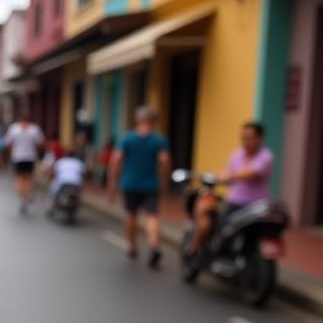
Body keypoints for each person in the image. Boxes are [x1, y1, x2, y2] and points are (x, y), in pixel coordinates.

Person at [188, 121, 274, 257]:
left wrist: (228, 177)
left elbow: (251, 173)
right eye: (243, 138)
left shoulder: (265, 156)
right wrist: (218, 177)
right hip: (235, 202)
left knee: (229, 229)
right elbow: (227, 173)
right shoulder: (237, 155)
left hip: (255, 206)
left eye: (249, 138)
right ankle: (219, 253)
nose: (245, 142)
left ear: (259, 138)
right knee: (223, 229)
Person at [109, 106, 171, 268]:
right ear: (154, 122)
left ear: (137, 120)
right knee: (152, 216)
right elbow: (164, 161)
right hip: (151, 184)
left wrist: (112, 184)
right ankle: (154, 246)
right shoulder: (159, 140)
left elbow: (115, 161)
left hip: (129, 183)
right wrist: (165, 180)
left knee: (131, 214)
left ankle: (132, 246)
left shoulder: (127, 139)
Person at [4, 114, 44, 214]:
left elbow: (7, 142)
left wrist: (11, 150)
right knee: (28, 178)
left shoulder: (14, 129)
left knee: (19, 178)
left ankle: (22, 195)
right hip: (30, 157)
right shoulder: (34, 129)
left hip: (18, 157)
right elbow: (41, 142)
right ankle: (26, 196)